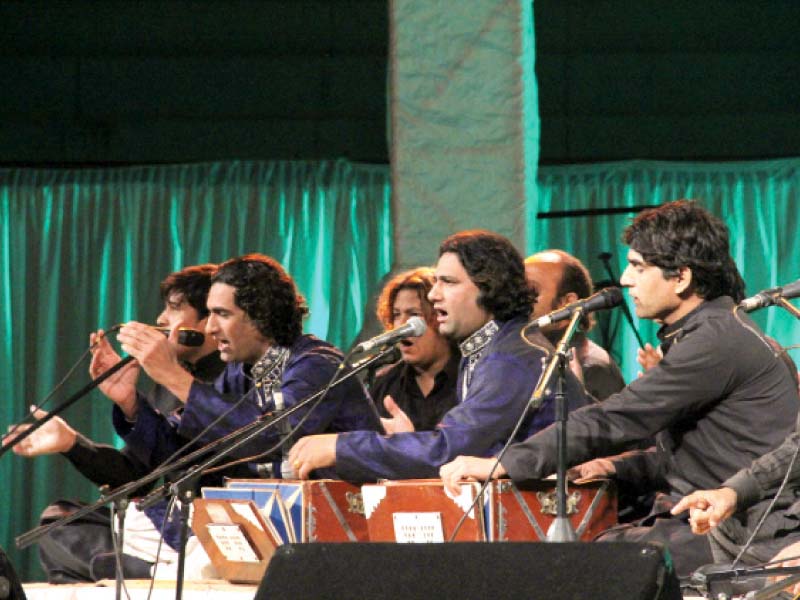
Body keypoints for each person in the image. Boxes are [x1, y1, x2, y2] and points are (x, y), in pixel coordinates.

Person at [440, 200, 799, 577]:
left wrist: (504, 463)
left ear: (681, 278)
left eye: (639, 267)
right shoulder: (710, 333)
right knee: (598, 550)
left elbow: (617, 417)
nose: (625, 280)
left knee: (594, 566)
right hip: (717, 521)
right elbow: (697, 456)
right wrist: (610, 465)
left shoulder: (715, 341)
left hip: (751, 532)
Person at [288, 230, 590, 482]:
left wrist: (342, 447)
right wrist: (409, 441)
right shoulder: (492, 347)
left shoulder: (512, 358)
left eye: (449, 282)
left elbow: (452, 450)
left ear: (489, 289)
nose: (434, 295)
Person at [3, 264, 226, 583]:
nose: (161, 319)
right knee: (58, 522)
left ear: (209, 321)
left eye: (174, 308)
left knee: (68, 554)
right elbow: (136, 477)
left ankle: (151, 572)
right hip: (158, 527)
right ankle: (150, 573)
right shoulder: (164, 382)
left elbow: (197, 462)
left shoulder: (231, 378)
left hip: (201, 529)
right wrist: (72, 443)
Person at [111, 253, 380, 479]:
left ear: (261, 316)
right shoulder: (240, 372)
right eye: (210, 313)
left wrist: (173, 376)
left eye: (222, 314)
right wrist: (130, 405)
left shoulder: (317, 365)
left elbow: (270, 438)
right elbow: (182, 453)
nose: (210, 328)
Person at [525, 249, 625, 400]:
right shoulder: (529, 353)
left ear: (567, 302)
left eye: (531, 291)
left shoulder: (593, 366)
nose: (519, 300)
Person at [370, 267, 459, 433]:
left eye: (414, 314)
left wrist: (409, 443)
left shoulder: (472, 377)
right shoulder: (385, 383)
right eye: (396, 315)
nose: (403, 325)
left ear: (441, 316)